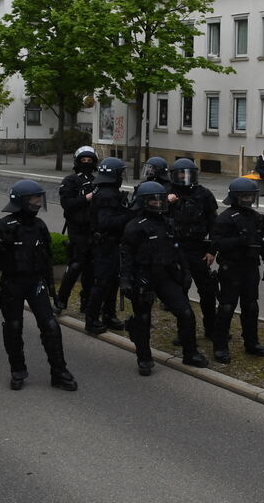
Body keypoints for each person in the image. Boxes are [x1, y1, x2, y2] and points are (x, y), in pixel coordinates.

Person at [0, 180, 77, 392]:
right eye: (34, 199)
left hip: (35, 283)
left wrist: (51, 285)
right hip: (12, 283)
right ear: (22, 201)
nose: (37, 202)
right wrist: (2, 244)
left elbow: (46, 257)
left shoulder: (39, 226)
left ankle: (59, 372)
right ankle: (18, 370)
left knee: (50, 326)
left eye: (38, 198)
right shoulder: (1, 225)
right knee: (14, 327)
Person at [120, 181, 209, 374]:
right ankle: (144, 358)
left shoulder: (168, 223)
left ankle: (190, 352)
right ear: (144, 202)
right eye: (154, 201)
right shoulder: (134, 227)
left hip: (166, 275)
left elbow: (178, 251)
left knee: (186, 313)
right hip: (143, 277)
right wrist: (125, 280)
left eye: (161, 200)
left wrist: (185, 272)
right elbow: (126, 256)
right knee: (143, 319)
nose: (159, 204)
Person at [209, 178, 264, 362]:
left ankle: (251, 343)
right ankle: (220, 347)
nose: (248, 200)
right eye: (244, 196)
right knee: (227, 307)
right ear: (236, 197)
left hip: (251, 267)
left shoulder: (256, 217)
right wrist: (239, 240)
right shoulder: (225, 218)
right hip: (231, 268)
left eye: (251, 196)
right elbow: (217, 243)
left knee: (251, 307)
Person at [170, 158, 220, 339]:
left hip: (198, 249)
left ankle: (211, 329)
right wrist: (167, 202)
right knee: (180, 292)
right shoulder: (168, 194)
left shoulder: (204, 194)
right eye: (181, 173)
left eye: (188, 174)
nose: (185, 177)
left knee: (207, 291)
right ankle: (183, 332)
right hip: (176, 250)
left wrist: (212, 250)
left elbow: (215, 224)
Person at [85, 157, 130, 334]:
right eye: (120, 173)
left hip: (110, 244)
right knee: (103, 282)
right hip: (105, 244)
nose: (122, 176)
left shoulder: (107, 191)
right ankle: (92, 319)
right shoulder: (106, 194)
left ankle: (109, 316)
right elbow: (107, 222)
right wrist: (129, 214)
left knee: (113, 281)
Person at [55, 146, 99, 315]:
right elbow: (67, 204)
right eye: (83, 160)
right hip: (77, 229)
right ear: (77, 161)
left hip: (93, 229)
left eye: (89, 161)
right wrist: (87, 197)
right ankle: (61, 300)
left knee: (91, 269)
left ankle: (86, 303)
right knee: (75, 266)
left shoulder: (98, 181)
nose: (86, 163)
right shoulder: (70, 181)